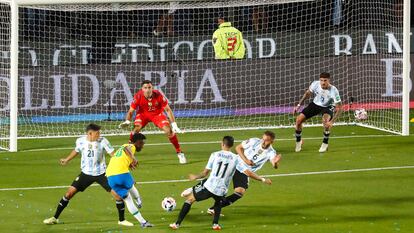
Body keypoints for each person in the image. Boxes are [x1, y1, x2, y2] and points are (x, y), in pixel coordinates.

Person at [169, 136, 272, 230]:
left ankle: (177, 224)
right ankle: (215, 224)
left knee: (190, 200)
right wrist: (263, 179)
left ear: (222, 144)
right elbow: (248, 173)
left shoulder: (215, 155)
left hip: (209, 186)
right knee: (218, 203)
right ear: (231, 145)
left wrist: (195, 176)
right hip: (222, 190)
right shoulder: (236, 159)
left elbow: (205, 173)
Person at [43, 123, 133, 227]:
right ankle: (55, 218)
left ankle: (121, 220)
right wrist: (67, 159)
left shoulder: (103, 141)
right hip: (86, 174)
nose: (99, 134)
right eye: (97, 133)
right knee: (69, 194)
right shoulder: (80, 141)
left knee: (117, 195)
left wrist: (125, 162)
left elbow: (113, 154)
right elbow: (76, 150)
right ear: (90, 133)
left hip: (102, 174)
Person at [206, 131, 281, 215]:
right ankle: (193, 195)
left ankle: (213, 208)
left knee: (239, 192)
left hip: (244, 170)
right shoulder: (254, 141)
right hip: (235, 164)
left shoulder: (271, 152)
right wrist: (246, 160)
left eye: (266, 140)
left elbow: (274, 164)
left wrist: (275, 163)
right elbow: (238, 148)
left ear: (272, 142)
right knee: (214, 184)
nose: (263, 141)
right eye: (263, 139)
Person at [119, 80, 186, 164]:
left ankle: (179, 153)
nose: (147, 90)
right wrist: (127, 121)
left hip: (157, 115)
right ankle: (127, 153)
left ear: (152, 88)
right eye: (145, 88)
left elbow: (168, 110)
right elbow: (131, 111)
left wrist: (174, 125)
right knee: (135, 130)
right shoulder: (138, 96)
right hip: (143, 114)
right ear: (142, 89)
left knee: (169, 131)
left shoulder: (158, 95)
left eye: (149, 87)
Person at [106, 133, 154, 228]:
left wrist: (129, 163)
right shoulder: (130, 146)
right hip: (121, 174)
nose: (142, 146)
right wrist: (134, 159)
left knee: (128, 200)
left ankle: (143, 222)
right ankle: (139, 201)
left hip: (110, 178)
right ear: (137, 142)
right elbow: (126, 149)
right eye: (142, 143)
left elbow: (119, 159)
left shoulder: (120, 149)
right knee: (131, 185)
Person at [293, 72, 342, 153]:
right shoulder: (315, 84)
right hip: (315, 104)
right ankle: (299, 142)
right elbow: (307, 94)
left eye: (325, 80)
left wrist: (332, 122)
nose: (323, 82)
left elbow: (340, 108)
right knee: (298, 120)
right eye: (321, 80)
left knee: (326, 122)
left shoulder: (334, 90)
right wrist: (298, 105)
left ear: (328, 80)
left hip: (327, 106)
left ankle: (325, 143)